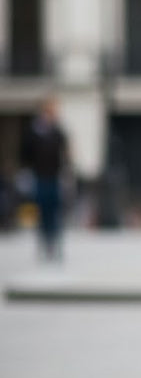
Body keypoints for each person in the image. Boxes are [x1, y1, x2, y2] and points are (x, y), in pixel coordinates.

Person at [21, 96, 70, 258]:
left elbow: (65, 153)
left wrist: (66, 171)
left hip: (55, 177)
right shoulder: (33, 132)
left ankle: (53, 244)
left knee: (55, 212)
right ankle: (43, 242)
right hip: (39, 177)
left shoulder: (58, 131)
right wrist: (27, 173)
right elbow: (25, 154)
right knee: (42, 211)